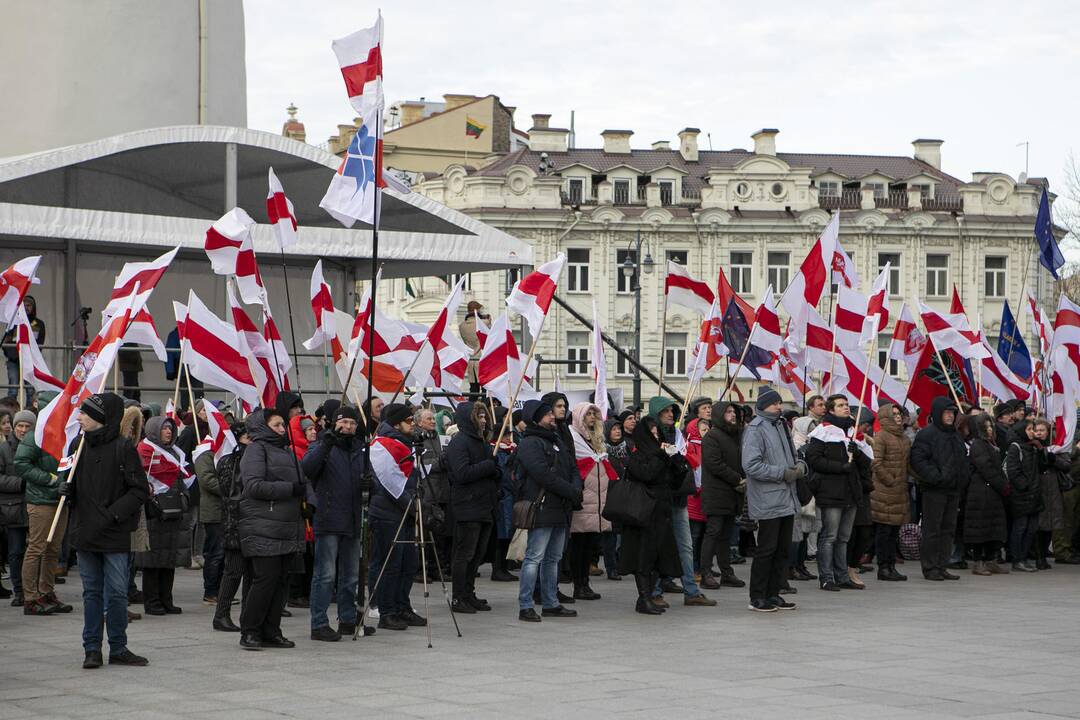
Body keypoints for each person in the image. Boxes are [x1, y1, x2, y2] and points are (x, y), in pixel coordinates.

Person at [58, 393, 149, 668]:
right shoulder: (79, 444)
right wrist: (65, 490)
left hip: (114, 533)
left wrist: (112, 514)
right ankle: (92, 648)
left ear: (100, 418)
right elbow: (70, 480)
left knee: (118, 592)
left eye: (85, 413)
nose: (79, 417)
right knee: (92, 593)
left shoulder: (123, 447)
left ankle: (119, 647)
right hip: (85, 532)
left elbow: (139, 491)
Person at [238, 408, 306, 650]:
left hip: (288, 525)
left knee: (281, 581)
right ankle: (250, 631)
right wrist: (289, 489)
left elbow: (303, 482)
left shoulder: (287, 451)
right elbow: (254, 486)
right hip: (262, 524)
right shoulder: (256, 449)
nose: (281, 429)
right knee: (265, 579)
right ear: (264, 427)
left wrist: (308, 499)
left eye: (282, 425)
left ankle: (271, 630)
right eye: (276, 425)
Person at [302, 405, 366, 642]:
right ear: (334, 423)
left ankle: (348, 620)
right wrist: (325, 444)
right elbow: (306, 469)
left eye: (352, 423)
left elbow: (370, 482)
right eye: (344, 423)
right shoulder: (322, 445)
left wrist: (369, 485)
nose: (348, 427)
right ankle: (318, 623)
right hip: (328, 518)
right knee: (325, 575)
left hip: (353, 519)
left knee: (350, 576)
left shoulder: (360, 449)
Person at [515, 399, 582, 622]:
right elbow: (542, 474)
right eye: (547, 414)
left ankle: (551, 602)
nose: (553, 417)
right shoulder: (530, 443)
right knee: (534, 557)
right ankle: (526, 605)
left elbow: (572, 466)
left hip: (560, 507)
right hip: (542, 507)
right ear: (536, 418)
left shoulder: (556, 440)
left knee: (553, 558)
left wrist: (575, 487)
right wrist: (570, 490)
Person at [646, 395, 715, 607]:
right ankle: (655, 590)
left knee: (685, 546)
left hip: (678, 498)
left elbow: (684, 460)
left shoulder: (677, 435)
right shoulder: (649, 434)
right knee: (658, 547)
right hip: (658, 501)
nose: (669, 415)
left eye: (671, 411)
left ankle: (691, 591)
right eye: (665, 411)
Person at [617, 416, 689, 615]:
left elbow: (675, 483)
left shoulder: (660, 454)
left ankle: (650, 595)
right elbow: (647, 474)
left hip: (662, 512)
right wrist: (661, 456)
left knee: (658, 556)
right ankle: (644, 597)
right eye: (653, 433)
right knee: (643, 557)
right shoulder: (637, 455)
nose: (656, 436)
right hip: (644, 514)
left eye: (657, 432)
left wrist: (678, 462)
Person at [741, 387, 802, 612]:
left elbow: (792, 455)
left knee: (782, 549)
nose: (779, 406)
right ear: (764, 406)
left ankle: (774, 593)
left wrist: (800, 466)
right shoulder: (756, 429)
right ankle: (757, 596)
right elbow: (751, 465)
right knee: (766, 549)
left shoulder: (780, 425)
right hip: (768, 499)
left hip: (786, 497)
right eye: (775, 403)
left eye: (779, 402)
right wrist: (781, 473)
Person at [368, 403, 426, 631]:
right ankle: (387, 611)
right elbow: (389, 482)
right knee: (390, 564)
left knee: (407, 564)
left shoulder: (405, 443)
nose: (412, 424)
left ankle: (402, 606)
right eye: (408, 421)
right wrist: (413, 506)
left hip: (405, 511)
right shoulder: (381, 445)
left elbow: (414, 475)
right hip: (387, 512)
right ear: (395, 423)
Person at [805, 395, 870, 591]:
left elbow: (868, 464)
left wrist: (857, 453)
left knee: (844, 537)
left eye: (847, 405)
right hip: (831, 491)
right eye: (841, 405)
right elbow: (814, 460)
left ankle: (842, 575)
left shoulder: (853, 431)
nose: (845, 408)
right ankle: (826, 577)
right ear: (831, 410)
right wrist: (840, 467)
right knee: (829, 536)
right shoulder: (823, 431)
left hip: (851, 491)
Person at [15, 398, 69, 616]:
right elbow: (21, 465)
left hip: (61, 499)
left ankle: (46, 591)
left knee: (53, 549)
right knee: (36, 548)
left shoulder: (66, 433)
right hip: (41, 501)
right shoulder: (34, 436)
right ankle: (30, 598)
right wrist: (51, 480)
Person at [445, 401, 500, 614]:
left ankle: (469, 592)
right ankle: (459, 597)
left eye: (485, 417)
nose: (484, 421)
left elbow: (491, 470)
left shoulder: (482, 442)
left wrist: (495, 471)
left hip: (484, 505)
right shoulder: (459, 442)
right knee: (464, 554)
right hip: (467, 505)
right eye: (480, 417)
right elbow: (461, 473)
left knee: (477, 554)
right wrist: (488, 466)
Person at [135, 417, 192, 615]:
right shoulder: (145, 450)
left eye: (170, 428)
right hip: (155, 512)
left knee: (169, 558)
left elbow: (180, 477)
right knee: (153, 559)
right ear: (153, 430)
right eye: (164, 428)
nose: (168, 431)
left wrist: (185, 495)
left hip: (174, 510)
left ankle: (166, 599)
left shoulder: (175, 452)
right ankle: (152, 601)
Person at [910, 396, 968, 581]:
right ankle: (930, 567)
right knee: (932, 529)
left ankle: (942, 565)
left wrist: (962, 478)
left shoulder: (955, 435)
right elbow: (918, 460)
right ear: (938, 413)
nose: (950, 416)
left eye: (952, 412)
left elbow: (962, 459)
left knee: (948, 529)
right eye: (947, 413)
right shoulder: (927, 434)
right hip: (934, 489)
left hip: (953, 489)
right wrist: (936, 477)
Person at [699, 401, 746, 590]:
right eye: (728, 412)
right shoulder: (712, 436)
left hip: (732, 494)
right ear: (719, 415)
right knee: (713, 532)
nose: (733, 414)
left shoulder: (736, 435)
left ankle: (727, 573)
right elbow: (714, 463)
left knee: (726, 536)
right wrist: (737, 479)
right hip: (717, 493)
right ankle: (706, 573)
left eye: (734, 411)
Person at [567, 402, 611, 601]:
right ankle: (578, 584)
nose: (592, 417)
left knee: (590, 545)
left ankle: (585, 583)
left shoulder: (597, 440)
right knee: (579, 545)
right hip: (583, 499)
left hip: (596, 500)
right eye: (588, 414)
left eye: (594, 414)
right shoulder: (573, 438)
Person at [211, 423, 249, 633]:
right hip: (234, 523)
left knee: (250, 573)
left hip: (249, 523)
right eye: (247, 437)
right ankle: (221, 614)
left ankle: (247, 614)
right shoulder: (229, 461)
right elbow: (228, 491)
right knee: (233, 571)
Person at [963, 413, 1009, 576]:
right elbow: (986, 468)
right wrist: (1003, 485)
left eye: (991, 426)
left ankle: (991, 560)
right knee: (979, 528)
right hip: (981, 491)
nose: (990, 429)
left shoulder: (991, 444)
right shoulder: (978, 445)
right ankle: (978, 562)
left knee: (993, 527)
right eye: (986, 427)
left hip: (992, 492)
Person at [870, 403, 911, 582]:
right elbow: (876, 462)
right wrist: (890, 480)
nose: (898, 417)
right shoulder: (881, 437)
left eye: (899, 414)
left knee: (894, 531)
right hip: (884, 492)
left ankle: (891, 565)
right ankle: (883, 567)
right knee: (884, 531)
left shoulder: (904, 438)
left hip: (899, 491)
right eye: (894, 414)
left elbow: (907, 463)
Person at [416, 407, 453, 581]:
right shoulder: (417, 440)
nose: (432, 421)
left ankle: (437, 567)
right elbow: (422, 463)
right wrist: (442, 461)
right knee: (426, 533)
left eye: (432, 418)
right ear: (419, 422)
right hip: (427, 492)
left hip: (442, 491)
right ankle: (422, 569)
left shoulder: (438, 437)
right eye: (428, 419)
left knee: (440, 534)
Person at [1, 409, 32, 605]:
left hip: (35, 506)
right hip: (12, 508)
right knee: (16, 551)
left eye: (27, 426)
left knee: (36, 550)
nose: (23, 430)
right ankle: (19, 590)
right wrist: (20, 483)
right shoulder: (4, 449)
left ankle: (33, 589)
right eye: (19, 426)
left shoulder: (38, 447)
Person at [195, 421, 226, 605]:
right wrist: (230, 488)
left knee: (223, 554)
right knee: (215, 553)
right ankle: (211, 591)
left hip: (224, 510)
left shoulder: (220, 452)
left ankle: (221, 589)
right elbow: (207, 480)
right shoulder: (205, 453)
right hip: (213, 511)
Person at [491, 406, 518, 582]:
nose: (509, 438)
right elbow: (503, 473)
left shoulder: (510, 449)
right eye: (506, 435)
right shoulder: (496, 451)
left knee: (507, 533)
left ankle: (503, 566)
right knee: (501, 534)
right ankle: (498, 568)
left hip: (510, 497)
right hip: (503, 497)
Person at [1, 296, 44, 388]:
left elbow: (40, 343)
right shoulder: (13, 322)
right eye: (24, 305)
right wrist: (13, 356)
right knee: (13, 388)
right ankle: (11, 403)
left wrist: (30, 356)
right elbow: (6, 342)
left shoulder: (39, 324)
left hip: (30, 361)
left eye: (29, 305)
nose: (26, 308)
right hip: (14, 361)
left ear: (33, 307)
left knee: (30, 390)